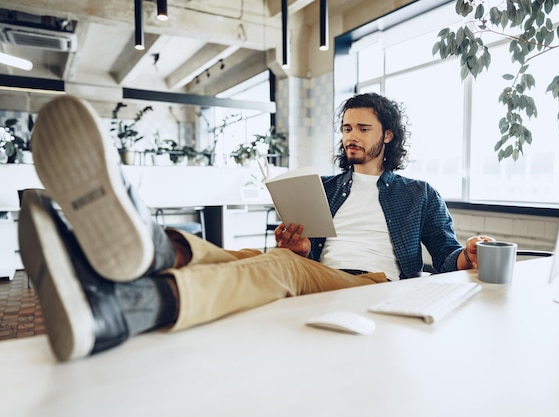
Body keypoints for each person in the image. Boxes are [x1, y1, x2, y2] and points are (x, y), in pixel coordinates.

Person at [20, 94, 491, 363]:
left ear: (387, 136)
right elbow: (308, 256)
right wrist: (301, 245)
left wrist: (466, 256)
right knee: (250, 257)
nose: (350, 136)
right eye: (346, 127)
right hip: (321, 274)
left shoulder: (418, 193)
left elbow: (446, 254)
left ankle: (125, 303)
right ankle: (148, 251)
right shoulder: (326, 186)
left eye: (363, 129)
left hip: (374, 284)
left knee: (279, 266)